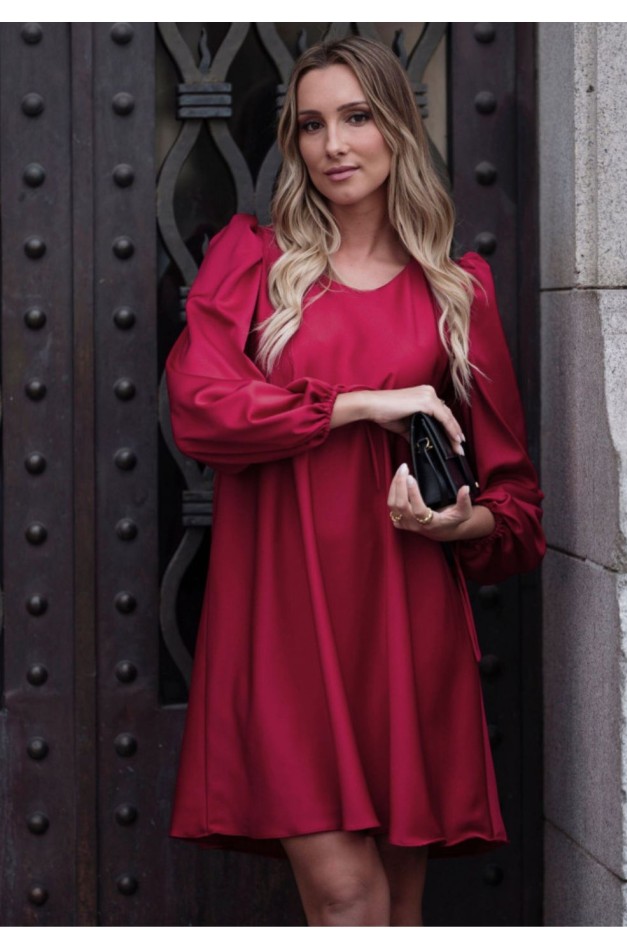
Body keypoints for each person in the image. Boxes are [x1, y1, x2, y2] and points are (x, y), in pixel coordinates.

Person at [165, 35, 545, 927]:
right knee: (345, 903)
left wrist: (458, 526)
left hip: (404, 627)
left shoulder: (458, 293)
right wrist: (364, 404)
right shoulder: (254, 263)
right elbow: (202, 409)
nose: (333, 144)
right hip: (283, 626)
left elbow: (517, 508)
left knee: (396, 913)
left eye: (356, 117)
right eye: (310, 125)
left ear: (398, 129)